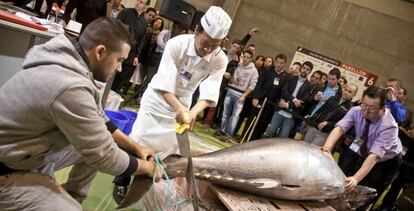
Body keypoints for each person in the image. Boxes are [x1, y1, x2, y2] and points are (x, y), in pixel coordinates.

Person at [0, 17, 162, 210]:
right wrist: (149, 168)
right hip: (8, 169)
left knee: (97, 145)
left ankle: (70, 196)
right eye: (119, 60)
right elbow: (106, 157)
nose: (119, 68)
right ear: (100, 52)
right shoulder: (70, 86)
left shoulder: (67, 61)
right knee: (99, 152)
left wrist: (136, 148)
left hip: (25, 152)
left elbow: (99, 120)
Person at [114, 5, 232, 200]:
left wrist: (192, 112)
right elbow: (165, 81)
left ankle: (145, 178)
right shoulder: (177, 44)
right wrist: (179, 109)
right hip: (158, 98)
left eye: (215, 44)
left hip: (184, 100)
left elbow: (211, 88)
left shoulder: (219, 59)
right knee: (139, 138)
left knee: (169, 147)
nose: (208, 48)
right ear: (196, 31)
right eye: (206, 42)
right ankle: (122, 181)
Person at [322, 86, 403, 207]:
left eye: (372, 108)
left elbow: (375, 157)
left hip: (386, 161)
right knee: (346, 184)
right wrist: (327, 148)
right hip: (364, 152)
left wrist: (356, 178)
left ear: (383, 108)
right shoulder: (356, 110)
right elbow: (340, 128)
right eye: (364, 105)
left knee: (367, 195)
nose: (366, 111)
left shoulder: (389, 127)